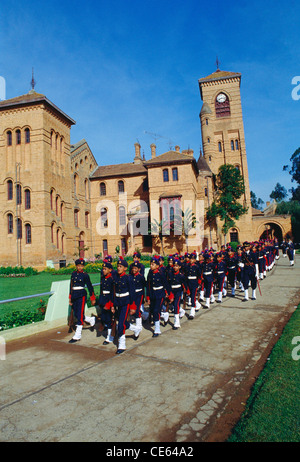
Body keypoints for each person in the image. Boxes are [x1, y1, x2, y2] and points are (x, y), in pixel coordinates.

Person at [68, 258, 96, 343]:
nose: (80, 267)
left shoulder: (85, 275)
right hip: (74, 295)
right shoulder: (73, 274)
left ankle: (78, 334)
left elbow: (90, 286)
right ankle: (90, 319)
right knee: (77, 313)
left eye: (81, 266)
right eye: (78, 266)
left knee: (80, 314)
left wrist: (92, 297)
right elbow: (71, 285)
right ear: (76, 266)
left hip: (81, 295)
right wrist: (70, 298)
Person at [114, 258, 136, 354]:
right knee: (121, 321)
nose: (118, 268)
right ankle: (136, 329)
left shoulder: (128, 278)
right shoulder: (116, 277)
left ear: (125, 268)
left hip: (126, 302)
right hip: (118, 302)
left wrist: (133, 306)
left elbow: (132, 293)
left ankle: (122, 344)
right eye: (118, 266)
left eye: (121, 267)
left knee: (121, 323)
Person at [146, 256, 170, 337]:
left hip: (160, 293)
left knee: (156, 310)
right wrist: (148, 297)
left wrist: (168, 293)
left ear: (157, 266)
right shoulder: (150, 273)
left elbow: (165, 284)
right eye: (150, 264)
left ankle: (157, 329)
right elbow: (148, 285)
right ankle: (165, 315)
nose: (151, 266)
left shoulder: (161, 273)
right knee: (153, 310)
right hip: (153, 293)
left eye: (153, 264)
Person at [99, 261, 116, 346]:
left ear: (110, 270)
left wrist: (111, 304)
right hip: (103, 300)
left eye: (105, 269)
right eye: (103, 269)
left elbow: (112, 293)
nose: (103, 270)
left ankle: (110, 336)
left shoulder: (111, 279)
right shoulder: (103, 278)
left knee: (109, 319)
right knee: (104, 318)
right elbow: (101, 290)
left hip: (109, 300)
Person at [168, 259, 187, 329]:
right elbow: (168, 283)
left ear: (179, 267)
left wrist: (186, 290)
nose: (175, 267)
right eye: (174, 266)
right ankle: (182, 311)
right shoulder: (170, 274)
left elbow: (184, 284)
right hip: (172, 290)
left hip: (178, 291)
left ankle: (177, 322)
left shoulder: (181, 275)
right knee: (173, 305)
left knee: (176, 305)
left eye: (176, 266)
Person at [129, 261, 146, 340]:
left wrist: (145, 296)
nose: (134, 270)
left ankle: (138, 326)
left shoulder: (141, 277)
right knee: (133, 309)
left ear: (139, 269)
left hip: (139, 294)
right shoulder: (130, 277)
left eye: (135, 268)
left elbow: (144, 286)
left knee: (137, 309)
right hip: (132, 295)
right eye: (133, 268)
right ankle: (145, 315)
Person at [186, 251, 202, 319]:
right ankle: (197, 304)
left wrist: (199, 283)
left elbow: (199, 276)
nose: (191, 260)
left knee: (193, 296)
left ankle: (192, 312)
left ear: (195, 260)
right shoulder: (187, 267)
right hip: (188, 282)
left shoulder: (196, 267)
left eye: (192, 259)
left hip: (194, 283)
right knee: (190, 295)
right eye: (190, 259)